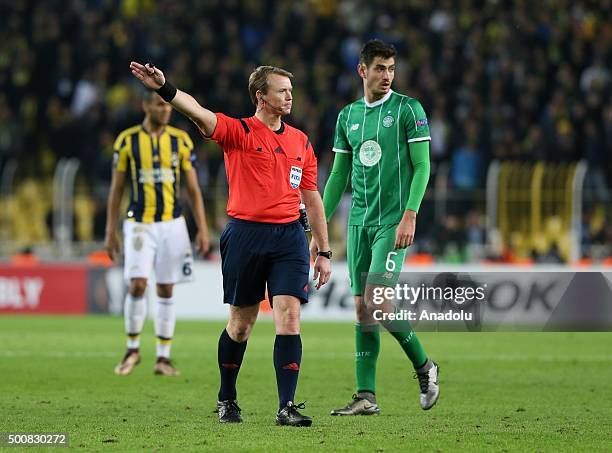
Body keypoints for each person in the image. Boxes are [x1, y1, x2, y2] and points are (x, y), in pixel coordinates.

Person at [129, 61, 332, 427]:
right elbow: (198, 112)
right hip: (245, 235)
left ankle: (286, 407)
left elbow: (312, 195)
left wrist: (324, 248)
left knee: (289, 315)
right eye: (282, 90)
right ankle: (227, 397)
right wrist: (165, 88)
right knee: (241, 324)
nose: (290, 96)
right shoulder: (238, 132)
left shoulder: (300, 141)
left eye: (291, 90)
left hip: (289, 237)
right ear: (261, 96)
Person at [316, 40, 440, 415]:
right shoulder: (347, 116)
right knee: (361, 309)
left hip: (393, 221)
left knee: (378, 301)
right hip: (359, 223)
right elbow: (338, 174)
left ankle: (425, 367)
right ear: (362, 70)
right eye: (380, 68)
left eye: (391, 69)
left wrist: (411, 214)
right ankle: (366, 396)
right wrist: (318, 223)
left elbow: (422, 166)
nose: (387, 76)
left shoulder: (408, 109)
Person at [105, 91, 210, 377]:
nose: (165, 110)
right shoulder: (127, 141)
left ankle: (163, 357)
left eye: (167, 105)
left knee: (166, 287)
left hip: (172, 224)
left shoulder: (181, 140)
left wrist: (201, 228)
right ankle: (132, 349)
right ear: (145, 106)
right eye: (159, 104)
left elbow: (192, 189)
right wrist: (110, 230)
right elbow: (117, 189)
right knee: (137, 283)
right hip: (139, 223)